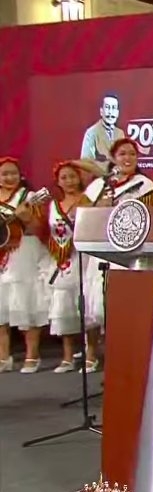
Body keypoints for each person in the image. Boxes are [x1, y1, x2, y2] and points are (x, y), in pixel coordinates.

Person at [81, 137, 153, 360]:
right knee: (98, 302)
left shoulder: (144, 185)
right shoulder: (99, 185)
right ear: (113, 158)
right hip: (101, 249)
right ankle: (94, 352)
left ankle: (126, 354)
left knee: (126, 305)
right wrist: (100, 207)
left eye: (132, 154)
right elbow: (80, 215)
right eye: (123, 154)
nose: (128, 158)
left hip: (130, 251)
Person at [45, 160, 102, 373]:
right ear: (58, 182)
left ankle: (91, 355)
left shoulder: (89, 199)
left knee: (87, 304)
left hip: (85, 256)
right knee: (64, 305)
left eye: (72, 176)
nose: (69, 181)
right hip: (64, 259)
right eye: (64, 177)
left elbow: (100, 173)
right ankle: (68, 356)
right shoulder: (53, 205)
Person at [0, 157, 50, 374]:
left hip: (22, 252)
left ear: (20, 175)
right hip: (2, 253)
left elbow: (40, 228)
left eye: (13, 173)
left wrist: (27, 218)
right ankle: (3, 356)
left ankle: (32, 354)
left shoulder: (29, 198)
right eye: (4, 174)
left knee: (25, 300)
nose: (8, 177)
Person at [79, 94, 127, 163]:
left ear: (117, 113)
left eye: (113, 108)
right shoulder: (91, 133)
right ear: (101, 111)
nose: (110, 112)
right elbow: (85, 163)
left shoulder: (120, 133)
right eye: (107, 107)